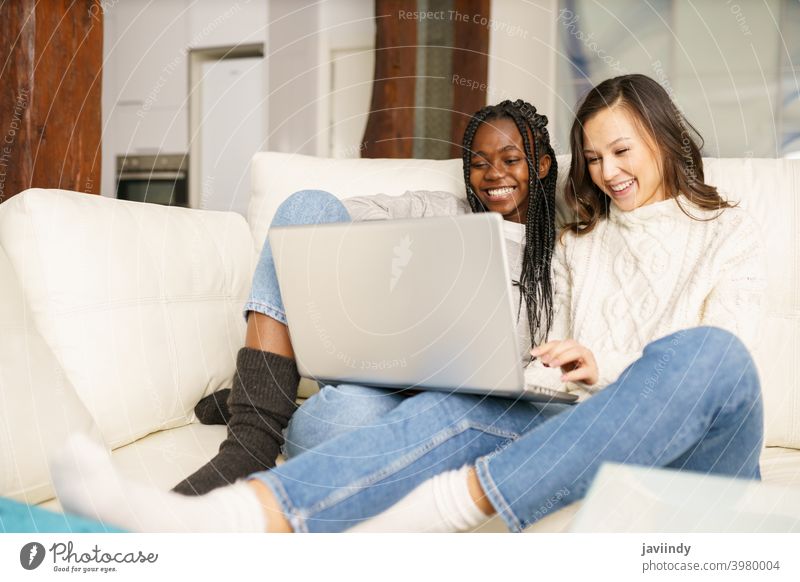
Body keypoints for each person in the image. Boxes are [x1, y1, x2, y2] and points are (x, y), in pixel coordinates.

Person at [51, 75, 765, 533]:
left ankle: (438, 506)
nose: (608, 173)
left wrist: (602, 364)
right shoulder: (583, 239)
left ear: (664, 139)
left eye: (622, 151)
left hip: (694, 454)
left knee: (708, 354)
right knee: (455, 408)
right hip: (584, 432)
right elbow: (561, 363)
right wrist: (563, 362)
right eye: (596, 158)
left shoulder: (732, 230)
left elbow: (712, 378)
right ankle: (232, 518)